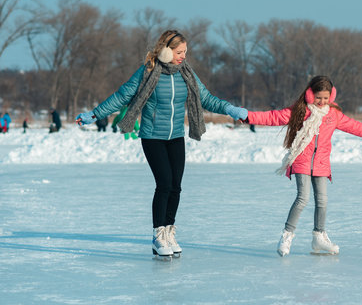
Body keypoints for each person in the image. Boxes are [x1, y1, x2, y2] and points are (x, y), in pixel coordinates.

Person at [75, 29, 247, 258]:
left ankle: (169, 231)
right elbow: (122, 96)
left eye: (185, 52)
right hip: (152, 136)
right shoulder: (148, 71)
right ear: (166, 50)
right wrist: (94, 114)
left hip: (175, 136)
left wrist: (230, 110)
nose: (183, 56)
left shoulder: (186, 72)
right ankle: (158, 235)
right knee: (164, 183)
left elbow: (206, 98)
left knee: (176, 186)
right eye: (179, 51)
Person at [242, 75, 362, 256]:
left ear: (331, 97)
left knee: (322, 201)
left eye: (325, 98)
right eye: (318, 97)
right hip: (301, 159)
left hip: (321, 163)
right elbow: (274, 117)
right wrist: (249, 117)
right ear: (310, 95)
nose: (321, 102)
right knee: (302, 198)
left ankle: (319, 237)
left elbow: (355, 126)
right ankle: (287, 236)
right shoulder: (300, 110)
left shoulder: (333, 114)